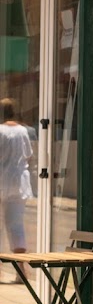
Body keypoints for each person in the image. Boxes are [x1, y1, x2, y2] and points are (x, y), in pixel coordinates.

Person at [0, 98, 33, 254]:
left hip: (2, 180)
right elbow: (28, 154)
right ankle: (21, 271)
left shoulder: (0, 131)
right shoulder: (22, 130)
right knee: (16, 226)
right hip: (19, 183)